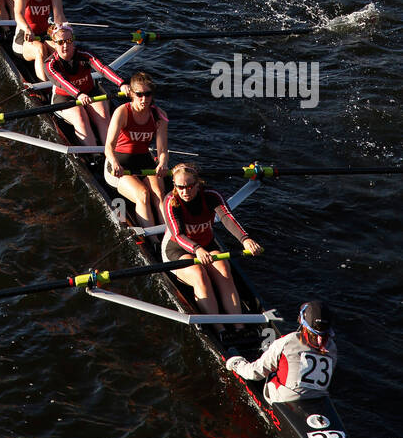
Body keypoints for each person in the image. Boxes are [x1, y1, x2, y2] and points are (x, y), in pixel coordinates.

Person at [161, 162, 262, 323]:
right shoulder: (170, 201)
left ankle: (238, 326)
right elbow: (178, 235)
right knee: (199, 275)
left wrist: (245, 239)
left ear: (197, 183)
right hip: (178, 250)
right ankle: (218, 328)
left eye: (189, 186)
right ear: (175, 185)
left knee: (224, 271)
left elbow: (227, 217)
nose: (185, 191)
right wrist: (197, 249)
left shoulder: (211, 195)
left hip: (207, 245)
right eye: (180, 187)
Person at [226, 299, 338, 402]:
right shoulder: (332, 347)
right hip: (319, 398)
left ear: (301, 320)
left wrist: (236, 364)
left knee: (271, 372)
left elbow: (255, 373)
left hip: (286, 399)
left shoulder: (289, 341)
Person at [102, 71, 169, 224]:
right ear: (131, 94)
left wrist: (163, 163)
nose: (144, 99)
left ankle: (170, 238)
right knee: (143, 194)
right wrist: (114, 163)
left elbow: (162, 150)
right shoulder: (122, 112)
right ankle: (153, 241)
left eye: (148, 94)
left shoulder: (160, 116)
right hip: (119, 165)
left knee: (159, 195)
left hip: (144, 161)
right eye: (139, 94)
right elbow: (108, 147)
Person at [44, 25, 127, 147]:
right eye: (61, 42)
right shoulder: (50, 64)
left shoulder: (85, 54)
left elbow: (102, 69)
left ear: (73, 40)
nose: (66, 45)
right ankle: (94, 155)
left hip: (90, 92)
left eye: (69, 41)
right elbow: (63, 82)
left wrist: (122, 83)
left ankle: (113, 155)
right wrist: (78, 94)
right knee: (80, 117)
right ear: (54, 44)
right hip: (65, 97)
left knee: (104, 115)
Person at [12, 0, 65, 80]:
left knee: (62, 49)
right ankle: (46, 88)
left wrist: (63, 33)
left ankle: (66, 82)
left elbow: (59, 17)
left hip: (44, 34)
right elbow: (18, 14)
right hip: (24, 37)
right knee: (40, 49)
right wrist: (27, 29)